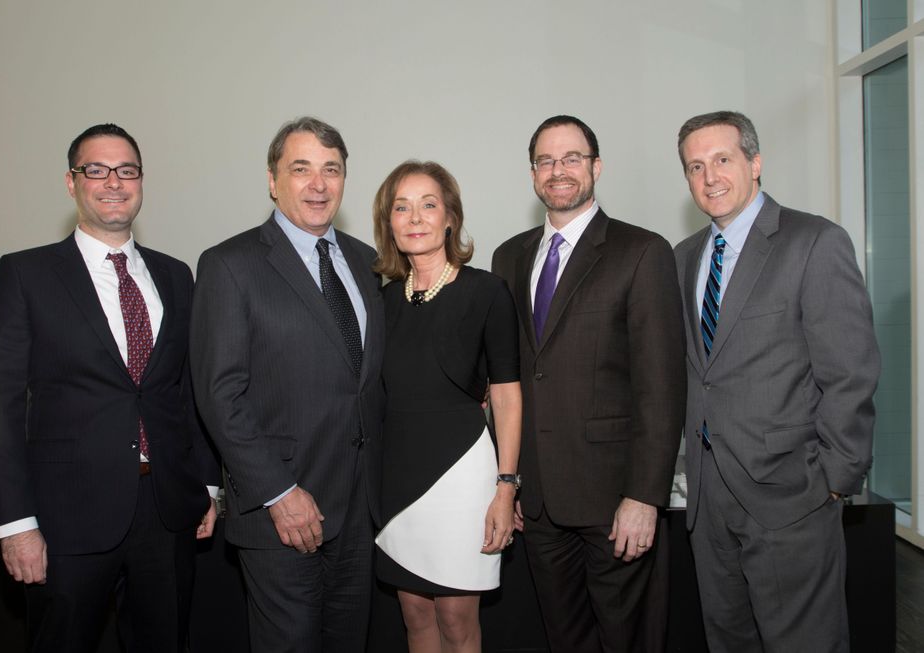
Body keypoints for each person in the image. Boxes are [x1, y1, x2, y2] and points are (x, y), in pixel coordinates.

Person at [0, 123, 219, 653]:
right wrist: (14, 524)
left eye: (126, 170)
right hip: (65, 521)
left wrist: (207, 485)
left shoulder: (177, 277)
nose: (113, 182)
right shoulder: (26, 275)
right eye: (97, 170)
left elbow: (188, 392)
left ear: (141, 182)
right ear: (71, 182)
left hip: (167, 511)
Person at [673, 110, 880, 652]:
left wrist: (835, 478)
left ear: (755, 161)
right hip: (708, 498)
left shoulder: (813, 242)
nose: (710, 176)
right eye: (695, 166)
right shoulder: (684, 258)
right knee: (728, 640)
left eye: (722, 159)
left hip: (793, 496)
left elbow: (850, 371)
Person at [491, 115, 686, 653]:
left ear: (596, 167)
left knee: (628, 639)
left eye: (572, 158)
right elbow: (510, 378)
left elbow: (661, 387)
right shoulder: (507, 257)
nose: (559, 171)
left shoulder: (642, 252)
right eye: (546, 161)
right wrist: (510, 482)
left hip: (615, 499)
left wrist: (645, 496)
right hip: (541, 502)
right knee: (565, 637)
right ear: (533, 175)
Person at [190, 117, 384, 653]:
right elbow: (219, 395)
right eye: (301, 169)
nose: (318, 184)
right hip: (283, 514)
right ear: (273, 180)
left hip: (359, 513)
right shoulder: (230, 265)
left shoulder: (369, 263)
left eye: (331, 170)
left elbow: (368, 381)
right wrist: (278, 493)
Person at [372, 161, 522, 652]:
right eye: (402, 207)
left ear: (450, 217)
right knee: (415, 615)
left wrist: (506, 487)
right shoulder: (383, 301)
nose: (415, 217)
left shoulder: (486, 292)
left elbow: (505, 394)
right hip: (397, 477)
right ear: (389, 222)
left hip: (463, 476)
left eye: (428, 204)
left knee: (457, 618)